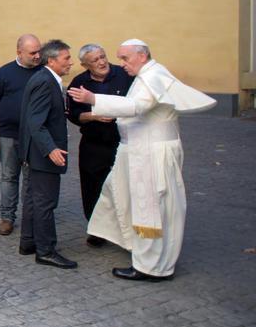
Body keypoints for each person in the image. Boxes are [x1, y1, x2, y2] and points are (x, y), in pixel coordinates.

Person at [68, 39, 215, 281]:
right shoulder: (147, 74)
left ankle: (150, 267)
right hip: (138, 151)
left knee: (151, 209)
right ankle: (136, 248)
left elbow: (137, 106)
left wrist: (94, 100)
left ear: (142, 56)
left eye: (125, 58)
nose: (120, 64)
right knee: (115, 193)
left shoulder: (152, 76)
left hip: (149, 154)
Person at [66, 44, 133, 246]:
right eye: (95, 60)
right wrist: (92, 116)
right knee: (92, 186)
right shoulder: (79, 83)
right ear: (85, 65)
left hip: (123, 140)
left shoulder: (124, 75)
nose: (102, 62)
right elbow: (73, 114)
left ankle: (126, 229)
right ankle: (96, 229)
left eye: (103, 57)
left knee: (125, 185)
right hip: (94, 143)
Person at [18, 39, 76, 269]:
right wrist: (50, 148)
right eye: (67, 58)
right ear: (51, 60)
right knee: (45, 202)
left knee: (34, 198)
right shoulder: (45, 81)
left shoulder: (44, 78)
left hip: (37, 152)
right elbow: (35, 121)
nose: (71, 63)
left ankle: (29, 242)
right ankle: (46, 250)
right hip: (43, 153)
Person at [0, 34, 42, 235]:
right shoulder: (3, 74)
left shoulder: (43, 72)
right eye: (32, 52)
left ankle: (30, 217)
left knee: (31, 178)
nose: (37, 56)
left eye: (38, 51)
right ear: (19, 52)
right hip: (8, 134)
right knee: (9, 177)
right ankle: (7, 217)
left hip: (34, 136)